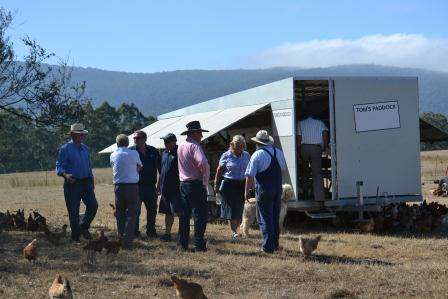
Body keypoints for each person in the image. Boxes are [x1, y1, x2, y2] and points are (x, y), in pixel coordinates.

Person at [245, 130, 286, 253]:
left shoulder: (257, 155)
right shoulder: (278, 152)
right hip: (277, 188)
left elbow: (249, 175)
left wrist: (246, 191)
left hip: (264, 189)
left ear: (258, 143)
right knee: (275, 216)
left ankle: (267, 246)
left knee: (265, 218)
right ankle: (275, 244)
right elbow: (282, 169)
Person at [56, 123, 98, 242]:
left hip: (86, 182)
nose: (82, 136)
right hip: (72, 183)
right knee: (73, 211)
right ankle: (75, 238)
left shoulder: (85, 148)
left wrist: (91, 180)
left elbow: (89, 166)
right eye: (80, 134)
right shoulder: (65, 149)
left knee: (93, 206)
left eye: (83, 134)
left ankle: (82, 228)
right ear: (73, 135)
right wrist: (65, 175)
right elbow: (59, 166)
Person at [177, 121, 210, 252]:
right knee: (200, 215)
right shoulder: (195, 146)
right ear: (195, 133)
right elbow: (202, 162)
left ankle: (182, 244)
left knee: (184, 215)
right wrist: (205, 182)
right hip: (195, 184)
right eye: (200, 133)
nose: (201, 135)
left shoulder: (181, 146)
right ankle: (199, 245)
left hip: (183, 183)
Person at [214, 135, 250, 241]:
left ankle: (237, 229)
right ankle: (234, 232)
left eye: (241, 146)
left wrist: (251, 184)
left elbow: (250, 170)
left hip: (242, 184)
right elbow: (219, 170)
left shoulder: (247, 155)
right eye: (237, 146)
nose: (239, 148)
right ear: (232, 145)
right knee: (231, 209)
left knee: (239, 208)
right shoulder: (226, 155)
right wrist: (216, 184)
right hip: (229, 184)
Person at [110, 134, 142, 250]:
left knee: (120, 214)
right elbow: (140, 166)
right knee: (132, 215)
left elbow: (114, 166)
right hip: (132, 187)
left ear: (117, 144)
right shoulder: (134, 153)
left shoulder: (113, 154)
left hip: (118, 187)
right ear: (128, 143)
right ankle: (128, 243)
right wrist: (134, 172)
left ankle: (120, 239)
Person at [132, 130, 161, 238]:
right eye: (134, 138)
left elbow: (160, 169)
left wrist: (159, 186)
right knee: (135, 210)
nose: (135, 140)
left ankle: (151, 231)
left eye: (138, 138)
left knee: (152, 210)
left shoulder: (153, 151)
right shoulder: (132, 152)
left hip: (151, 186)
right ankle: (135, 232)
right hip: (137, 186)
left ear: (144, 139)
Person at [297, 108, 329, 202]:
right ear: (314, 116)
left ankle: (305, 193)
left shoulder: (300, 123)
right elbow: (325, 136)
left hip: (304, 148)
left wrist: (298, 152)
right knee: (317, 173)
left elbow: (299, 139)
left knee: (305, 171)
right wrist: (324, 147)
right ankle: (319, 197)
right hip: (316, 148)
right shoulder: (320, 123)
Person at [158, 133, 183, 242]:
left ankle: (182, 234)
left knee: (179, 212)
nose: (165, 143)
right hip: (165, 188)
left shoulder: (179, 152)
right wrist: (158, 185)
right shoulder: (164, 153)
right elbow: (162, 171)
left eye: (167, 141)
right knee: (168, 213)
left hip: (176, 189)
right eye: (164, 141)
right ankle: (167, 234)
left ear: (174, 142)